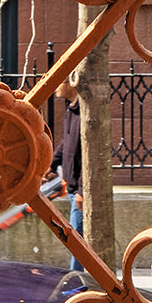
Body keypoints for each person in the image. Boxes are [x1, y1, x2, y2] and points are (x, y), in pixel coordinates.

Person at [57, 92, 83, 235]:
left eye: (60, 82)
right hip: (73, 188)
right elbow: (66, 142)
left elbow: (90, 154)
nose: (56, 87)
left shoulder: (83, 111)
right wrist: (52, 164)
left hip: (80, 191)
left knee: (76, 238)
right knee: (76, 236)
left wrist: (82, 190)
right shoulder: (70, 108)